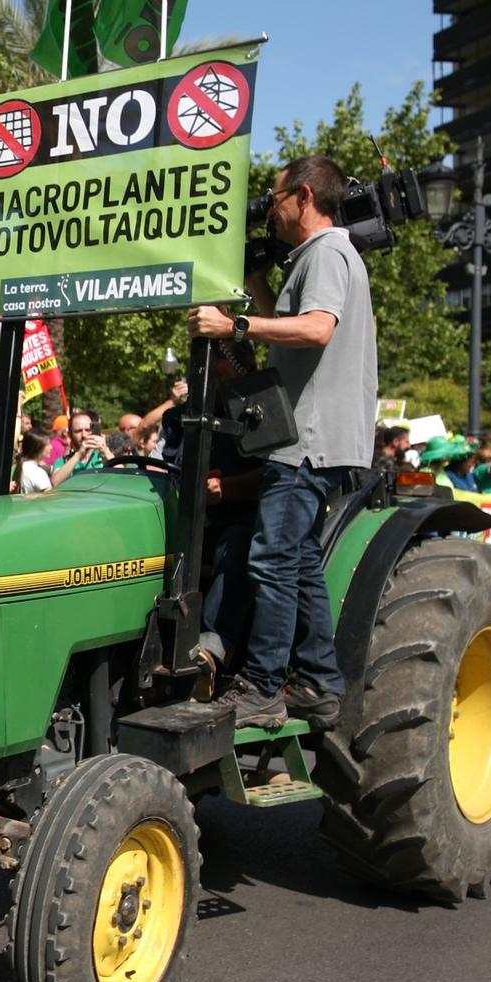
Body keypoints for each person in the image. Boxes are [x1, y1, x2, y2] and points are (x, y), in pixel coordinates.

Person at [189, 154, 376, 731]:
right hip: (318, 437)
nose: (269, 209)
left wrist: (235, 326)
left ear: (303, 196)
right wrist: (257, 287)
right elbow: (296, 335)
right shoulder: (322, 257)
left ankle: (263, 688)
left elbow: (318, 328)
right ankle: (319, 681)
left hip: (308, 439)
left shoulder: (326, 252)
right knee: (296, 562)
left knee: (269, 559)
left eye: (274, 198)